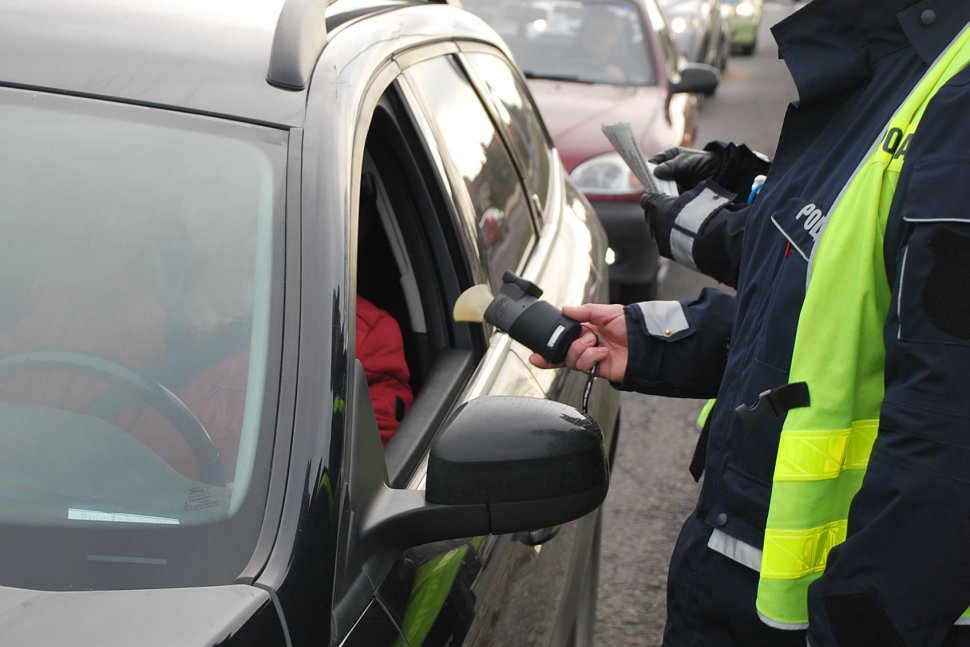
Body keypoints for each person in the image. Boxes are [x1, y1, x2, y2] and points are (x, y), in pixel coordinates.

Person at [531, 0, 970, 644]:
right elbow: (833, 315)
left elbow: (949, 445)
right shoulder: (898, 61)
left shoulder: (952, 97)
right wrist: (658, 340)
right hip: (741, 588)